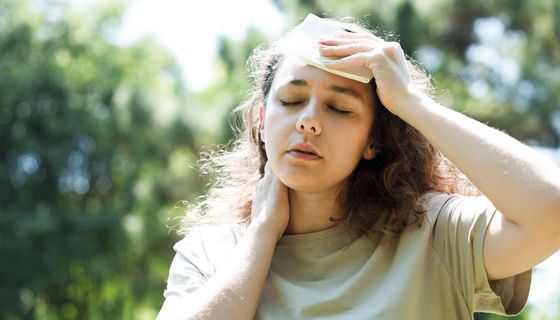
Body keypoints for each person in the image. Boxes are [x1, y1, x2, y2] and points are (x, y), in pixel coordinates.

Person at [157, 14, 560, 319]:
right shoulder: (210, 254)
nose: (308, 121)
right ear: (262, 121)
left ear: (374, 141)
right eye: (291, 101)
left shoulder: (436, 233)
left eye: (339, 108)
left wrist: (410, 103)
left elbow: (551, 209)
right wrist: (262, 234)